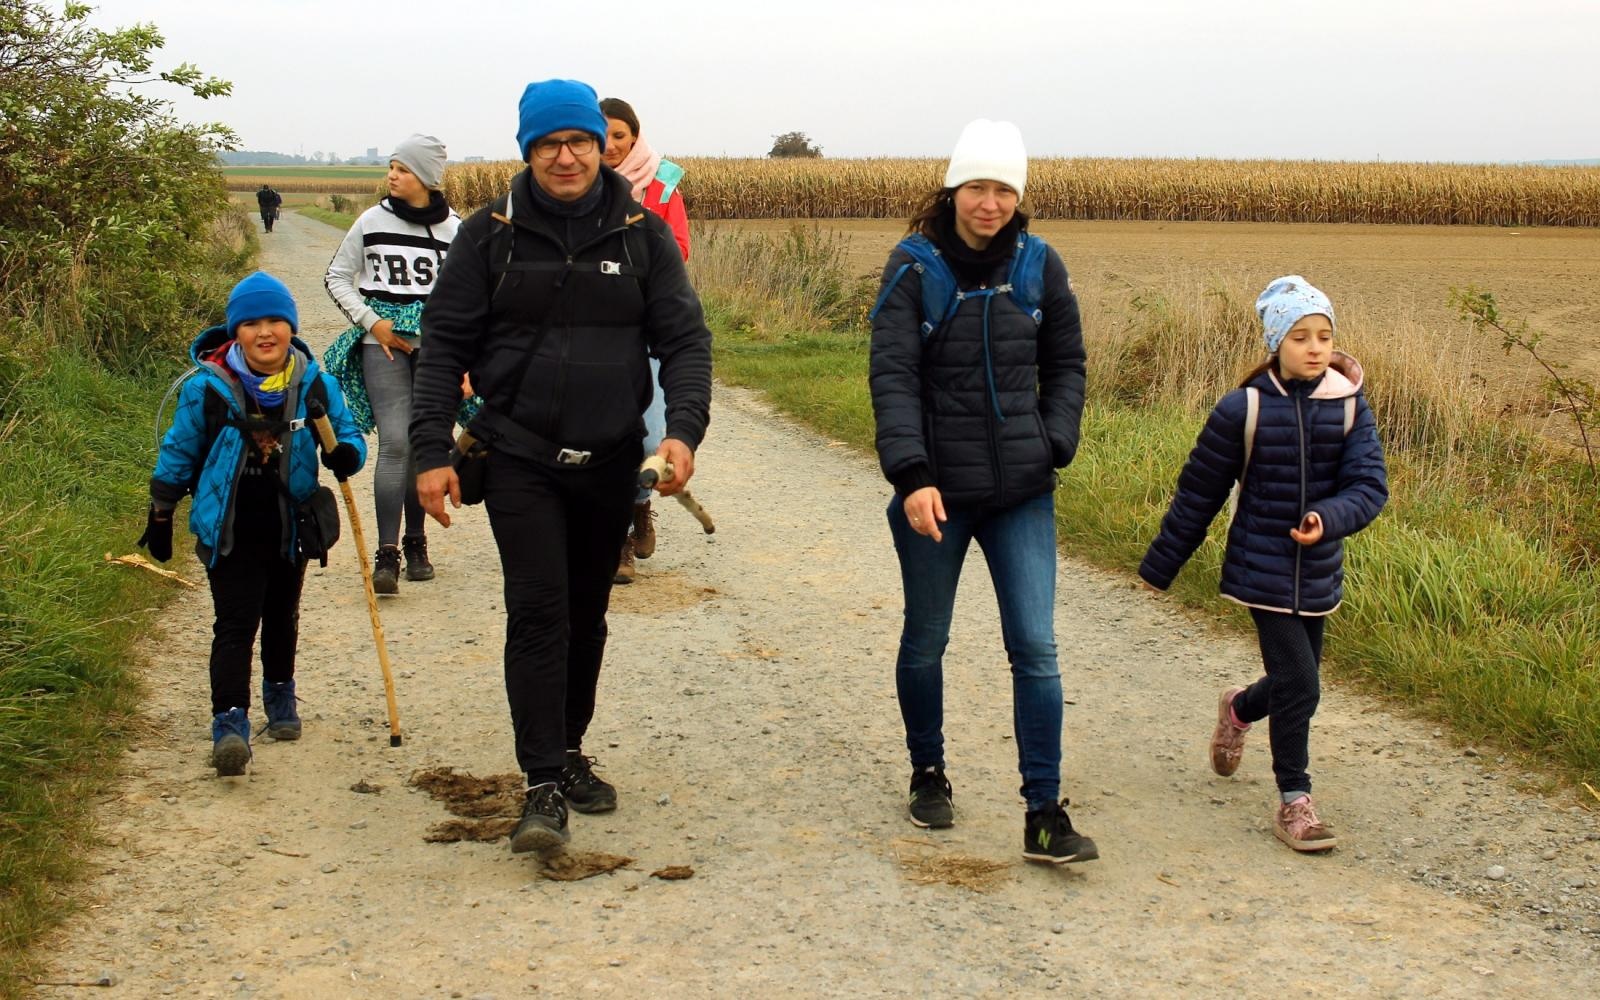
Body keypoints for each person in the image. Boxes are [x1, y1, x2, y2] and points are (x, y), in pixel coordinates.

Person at [409, 79, 712, 856]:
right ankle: (541, 782)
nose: (568, 156)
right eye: (550, 144)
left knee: (587, 616)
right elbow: (442, 345)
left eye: (579, 141)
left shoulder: (642, 232)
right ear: (529, 151)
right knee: (539, 612)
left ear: (600, 146)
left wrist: (682, 434)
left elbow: (685, 342)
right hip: (519, 460)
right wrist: (431, 451)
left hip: (611, 463)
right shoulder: (489, 236)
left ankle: (569, 749)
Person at [868, 119, 1095, 864]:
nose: (989, 203)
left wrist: (1055, 440)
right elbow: (893, 378)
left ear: (1017, 196)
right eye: (976, 187)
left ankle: (1043, 811)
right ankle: (928, 770)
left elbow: (1068, 364)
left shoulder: (1039, 267)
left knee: (1035, 647)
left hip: (1022, 490)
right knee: (926, 639)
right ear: (953, 189)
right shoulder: (914, 268)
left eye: (1003, 189)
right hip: (936, 493)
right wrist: (911, 475)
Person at [1138, 275, 1388, 852]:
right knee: (1302, 683)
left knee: (1292, 680)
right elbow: (1199, 492)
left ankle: (1239, 707)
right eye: (1301, 336)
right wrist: (1162, 564)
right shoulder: (1242, 409)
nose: (1316, 347)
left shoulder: (1349, 406)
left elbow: (1370, 485)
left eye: (1324, 335)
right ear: (1277, 343)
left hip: (1320, 567)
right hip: (1262, 567)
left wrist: (1329, 517)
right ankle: (1294, 802)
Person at [141, 271, 367, 776]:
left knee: (283, 614)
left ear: (290, 326)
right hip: (230, 525)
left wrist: (348, 453)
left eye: (275, 321)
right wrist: (162, 508)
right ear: (234, 332)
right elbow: (180, 448)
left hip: (291, 523)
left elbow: (348, 433)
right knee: (237, 621)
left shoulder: (316, 383)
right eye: (252, 323)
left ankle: (280, 697)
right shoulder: (208, 388)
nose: (265, 332)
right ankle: (230, 723)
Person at [323, 134, 462, 594]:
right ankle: (387, 554)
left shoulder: (455, 232)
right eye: (391, 167)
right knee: (396, 442)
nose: (392, 175)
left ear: (424, 177)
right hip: (380, 347)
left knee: (427, 446)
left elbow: (472, 301)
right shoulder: (370, 221)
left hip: (436, 354)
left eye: (402, 169)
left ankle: (417, 541)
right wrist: (373, 322)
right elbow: (337, 277)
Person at [599, 97, 690, 584]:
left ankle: (639, 508)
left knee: (651, 437)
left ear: (635, 136)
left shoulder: (661, 182)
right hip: (597, 331)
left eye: (620, 135)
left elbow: (679, 249)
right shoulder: (581, 186)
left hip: (648, 327)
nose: (611, 145)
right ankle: (617, 548)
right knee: (607, 437)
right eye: (603, 135)